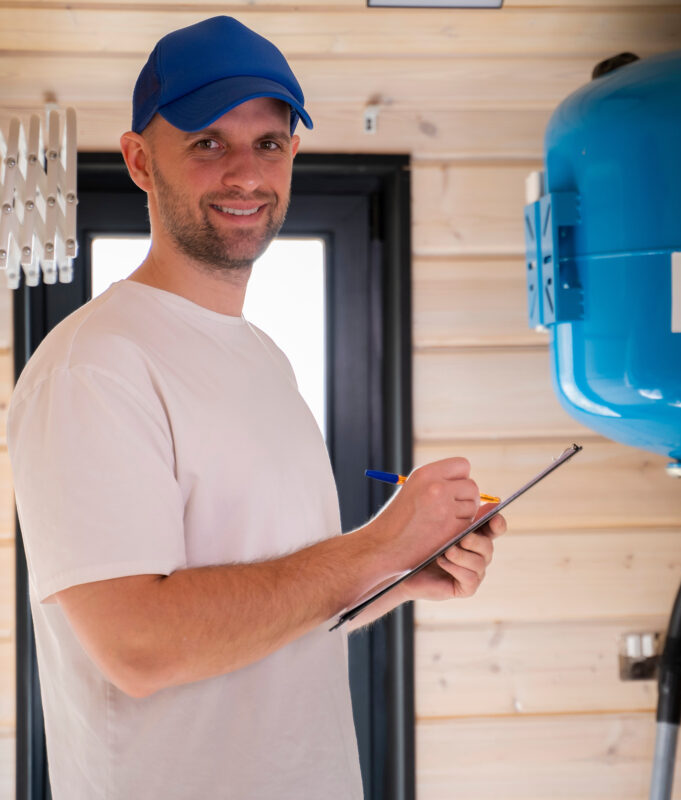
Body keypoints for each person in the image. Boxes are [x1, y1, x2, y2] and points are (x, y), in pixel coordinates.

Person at [7, 15, 506, 800]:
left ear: (293, 154)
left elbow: (270, 605)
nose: (245, 172)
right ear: (140, 161)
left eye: (268, 143)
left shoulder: (262, 359)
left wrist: (399, 574)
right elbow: (139, 645)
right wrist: (374, 548)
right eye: (208, 143)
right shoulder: (92, 366)